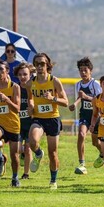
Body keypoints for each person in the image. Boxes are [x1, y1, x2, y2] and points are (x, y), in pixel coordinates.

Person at [27, 52, 69, 189]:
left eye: (42, 64)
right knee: (32, 141)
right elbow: (30, 99)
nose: (40, 66)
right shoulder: (30, 83)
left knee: (53, 152)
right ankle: (38, 153)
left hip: (53, 119)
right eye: (37, 64)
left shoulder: (54, 81)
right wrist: (31, 107)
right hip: (38, 118)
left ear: (47, 65)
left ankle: (53, 181)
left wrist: (53, 98)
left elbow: (66, 102)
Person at [0, 60, 21, 187]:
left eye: (1, 69)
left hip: (13, 124)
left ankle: (15, 177)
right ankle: (0, 157)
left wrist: (6, 99)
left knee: (14, 155)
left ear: (7, 71)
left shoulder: (14, 87)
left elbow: (17, 109)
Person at [68, 57, 103, 175]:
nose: (83, 73)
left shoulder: (95, 84)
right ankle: (82, 164)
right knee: (81, 134)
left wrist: (87, 97)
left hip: (96, 116)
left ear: (90, 71)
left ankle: (103, 154)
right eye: (81, 70)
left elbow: (100, 101)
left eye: (85, 70)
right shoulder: (78, 84)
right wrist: (74, 104)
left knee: (95, 142)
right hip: (84, 114)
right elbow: (80, 97)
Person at [14, 62, 35, 179]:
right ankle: (21, 156)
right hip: (17, 124)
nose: (22, 77)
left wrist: (32, 108)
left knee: (28, 148)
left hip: (30, 123)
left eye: (25, 74)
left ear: (30, 75)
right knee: (17, 149)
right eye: (20, 74)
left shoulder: (33, 88)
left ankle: (26, 174)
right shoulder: (14, 87)